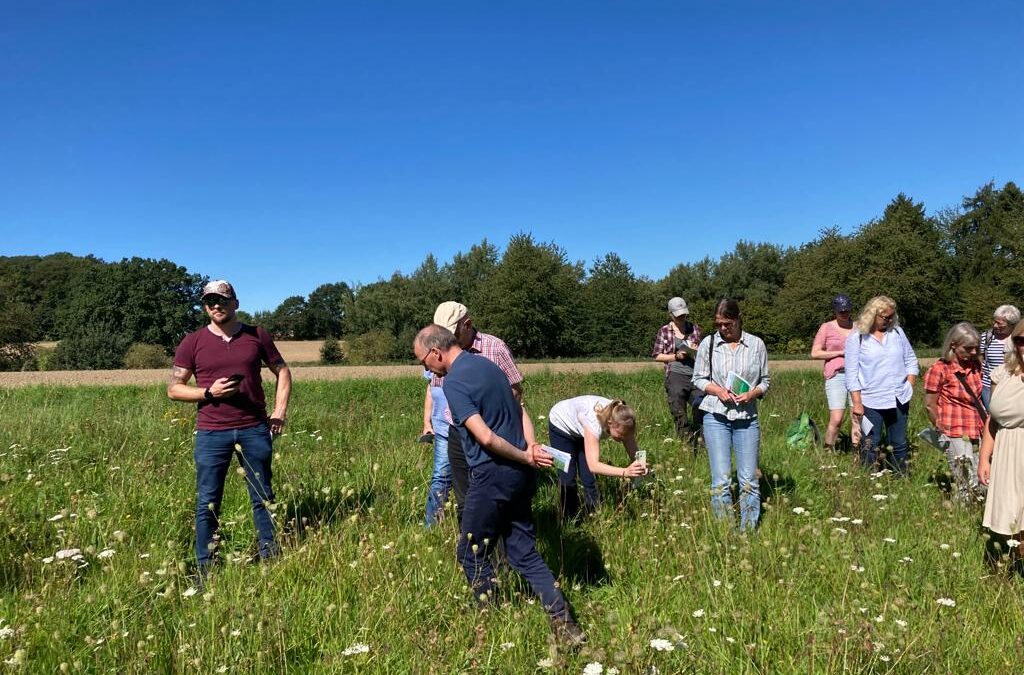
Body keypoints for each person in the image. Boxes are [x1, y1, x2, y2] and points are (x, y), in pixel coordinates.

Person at [413, 325, 586, 645]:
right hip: (520, 478)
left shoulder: (453, 382)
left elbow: (486, 437)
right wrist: (531, 447)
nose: (426, 369)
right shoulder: (488, 366)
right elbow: (520, 409)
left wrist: (523, 455)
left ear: (436, 352)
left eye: (424, 362)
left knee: (469, 551)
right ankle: (564, 621)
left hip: (492, 475)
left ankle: (489, 621)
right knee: (523, 551)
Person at [168, 280, 292, 579]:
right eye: (210, 301)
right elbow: (174, 389)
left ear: (235, 303)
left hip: (254, 429)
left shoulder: (256, 335)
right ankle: (206, 568)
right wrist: (209, 393)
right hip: (212, 433)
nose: (215, 306)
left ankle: (269, 559)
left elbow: (283, 370)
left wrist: (279, 412)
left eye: (222, 300)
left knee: (263, 497)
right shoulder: (192, 342)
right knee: (207, 501)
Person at [431, 301, 530, 524]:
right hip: (457, 431)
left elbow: (514, 391)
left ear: (467, 325)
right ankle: (472, 549)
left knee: (493, 492)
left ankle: (499, 550)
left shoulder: (495, 348)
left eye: (451, 334)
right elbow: (437, 390)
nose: (446, 341)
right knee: (464, 494)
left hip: (493, 431)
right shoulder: (440, 352)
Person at [692, 298, 770, 532]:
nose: (723, 329)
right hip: (716, 417)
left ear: (738, 319)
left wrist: (753, 394)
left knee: (748, 480)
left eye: (727, 323)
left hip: (747, 418)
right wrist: (718, 391)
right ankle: (725, 530)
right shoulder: (709, 344)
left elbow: (765, 381)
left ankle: (748, 530)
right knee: (722, 480)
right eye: (718, 324)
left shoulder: (756, 344)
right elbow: (698, 378)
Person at [844, 296, 919, 474]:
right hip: (870, 401)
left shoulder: (897, 333)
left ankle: (901, 478)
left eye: (891, 317)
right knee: (870, 443)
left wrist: (910, 384)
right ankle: (868, 480)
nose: (888, 320)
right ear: (872, 315)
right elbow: (851, 374)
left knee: (899, 443)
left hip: (899, 398)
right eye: (884, 317)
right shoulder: (857, 338)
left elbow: (911, 361)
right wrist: (857, 402)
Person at [547, 396, 647, 521]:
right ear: (610, 424)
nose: (623, 439)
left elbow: (634, 452)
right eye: (621, 435)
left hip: (582, 427)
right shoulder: (594, 423)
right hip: (559, 425)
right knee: (567, 476)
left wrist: (641, 465)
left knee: (589, 478)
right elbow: (594, 465)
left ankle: (593, 515)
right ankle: (568, 519)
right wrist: (625, 472)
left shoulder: (622, 418)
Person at [924, 322, 986, 503]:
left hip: (978, 426)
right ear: (953, 345)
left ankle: (980, 510)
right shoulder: (940, 369)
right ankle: (963, 515)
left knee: (982, 473)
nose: (973, 352)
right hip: (955, 428)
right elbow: (930, 404)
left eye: (976, 348)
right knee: (964, 478)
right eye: (968, 348)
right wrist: (940, 428)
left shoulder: (976, 365)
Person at [979, 321, 1024, 556]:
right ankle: (1014, 570)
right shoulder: (1003, 373)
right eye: (1020, 340)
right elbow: (992, 419)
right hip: (1007, 450)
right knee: (1012, 520)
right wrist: (984, 458)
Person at [651, 297, 704, 446]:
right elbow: (657, 356)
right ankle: (686, 445)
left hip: (696, 375)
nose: (681, 317)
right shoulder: (664, 331)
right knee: (679, 411)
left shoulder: (696, 329)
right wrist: (675, 356)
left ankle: (703, 444)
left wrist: (697, 349)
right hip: (675, 375)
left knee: (701, 407)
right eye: (678, 315)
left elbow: (705, 353)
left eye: (684, 314)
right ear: (670, 314)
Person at [811, 294, 857, 450]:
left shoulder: (858, 327)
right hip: (836, 375)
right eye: (840, 311)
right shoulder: (826, 327)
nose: (844, 313)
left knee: (856, 416)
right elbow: (815, 353)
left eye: (846, 310)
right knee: (837, 418)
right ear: (835, 311)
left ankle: (858, 451)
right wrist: (839, 353)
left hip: (857, 375)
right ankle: (828, 449)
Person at [421, 369, 451, 527]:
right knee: (440, 477)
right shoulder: (432, 355)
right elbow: (430, 389)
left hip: (472, 430)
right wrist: (427, 423)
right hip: (442, 429)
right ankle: (431, 527)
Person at [980, 305, 1021, 410]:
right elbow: (980, 360)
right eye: (994, 322)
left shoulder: (1019, 339)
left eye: (999, 324)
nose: (995, 326)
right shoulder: (986, 338)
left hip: (1013, 386)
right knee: (992, 414)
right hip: (988, 386)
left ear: (1012, 325)